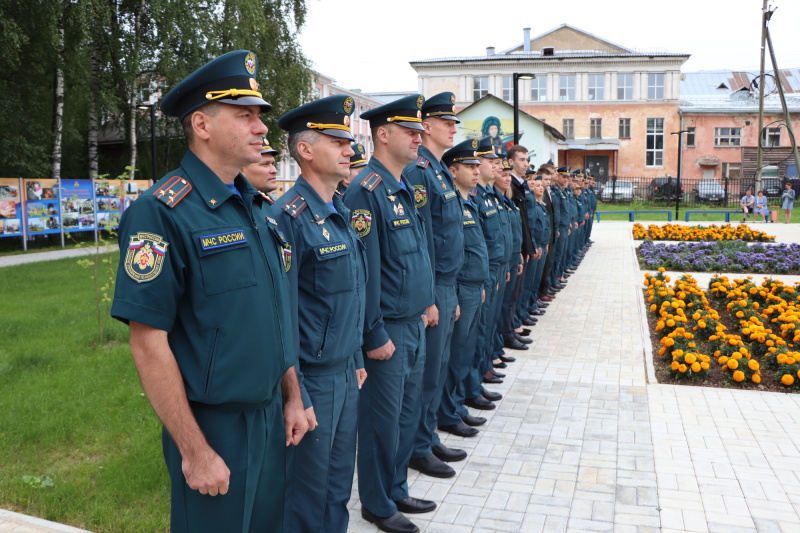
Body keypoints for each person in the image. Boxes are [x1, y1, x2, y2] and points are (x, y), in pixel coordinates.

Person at [110, 50, 308, 533]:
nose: (261, 128)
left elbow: (273, 313)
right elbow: (147, 341)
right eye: (245, 116)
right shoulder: (162, 212)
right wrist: (194, 451)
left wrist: (292, 395)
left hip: (268, 417)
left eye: (260, 115)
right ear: (201, 123)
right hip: (212, 428)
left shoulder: (255, 208)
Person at [342, 94, 435, 533]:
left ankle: (395, 488)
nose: (420, 138)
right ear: (382, 134)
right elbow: (367, 272)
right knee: (381, 421)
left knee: (404, 413)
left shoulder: (399, 187)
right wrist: (373, 332)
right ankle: (376, 503)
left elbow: (415, 255)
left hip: (412, 321)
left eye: (420, 132)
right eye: (410, 131)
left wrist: (426, 302)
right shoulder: (367, 190)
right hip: (388, 330)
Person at [275, 95, 367, 533]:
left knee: (336, 490)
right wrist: (298, 395)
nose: (350, 149)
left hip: (344, 372)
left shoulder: (338, 212)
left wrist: (356, 359)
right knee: (306, 496)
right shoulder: (288, 218)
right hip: (311, 378)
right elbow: (282, 316)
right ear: (306, 150)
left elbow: (348, 297)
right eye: (338, 141)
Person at [403, 92, 467, 480]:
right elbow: (421, 240)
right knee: (426, 375)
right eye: (447, 122)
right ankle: (418, 447)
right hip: (433, 286)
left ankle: (427, 438)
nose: (453, 128)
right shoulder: (419, 172)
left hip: (447, 282)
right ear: (426, 126)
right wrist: (429, 297)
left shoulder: (439, 170)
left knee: (439, 368)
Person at [437, 139, 489, 438]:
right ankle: (448, 412)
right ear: (453, 171)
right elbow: (450, 254)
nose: (476, 171)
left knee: (465, 350)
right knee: (455, 355)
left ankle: (455, 406)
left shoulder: (466, 202)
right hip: (458, 289)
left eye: (476, 166)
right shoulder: (453, 202)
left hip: (473, 286)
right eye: (469, 166)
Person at [242, 135, 279, 199]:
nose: (274, 170)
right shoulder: (236, 206)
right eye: (265, 164)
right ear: (241, 170)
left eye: (273, 164)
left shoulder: (268, 202)